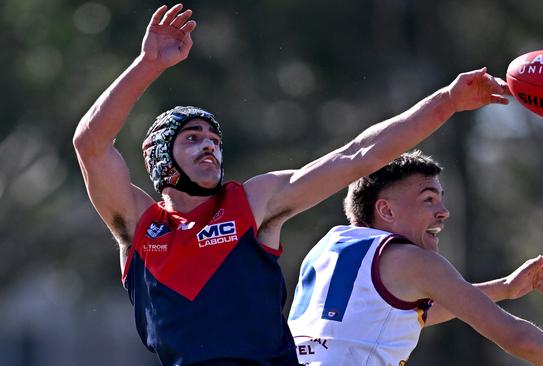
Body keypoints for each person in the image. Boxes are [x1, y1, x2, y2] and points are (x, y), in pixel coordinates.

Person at [72, 3, 511, 366]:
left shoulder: (251, 202)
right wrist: (148, 65)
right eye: (193, 138)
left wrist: (447, 102)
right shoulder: (139, 226)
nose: (210, 147)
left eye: (215, 140)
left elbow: (358, 155)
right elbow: (90, 144)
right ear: (162, 159)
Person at [288, 150, 543, 366]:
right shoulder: (410, 259)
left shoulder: (325, 250)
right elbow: (517, 337)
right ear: (386, 211)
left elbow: (405, 317)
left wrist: (504, 288)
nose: (443, 211)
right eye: (428, 199)